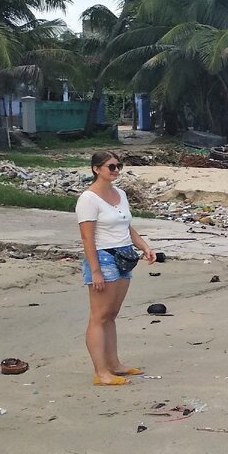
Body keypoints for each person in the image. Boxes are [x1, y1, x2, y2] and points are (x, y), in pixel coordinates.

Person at [76, 151, 157, 386]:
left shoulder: (120, 194)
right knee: (99, 316)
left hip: (124, 255)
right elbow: (87, 238)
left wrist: (144, 247)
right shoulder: (88, 199)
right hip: (103, 257)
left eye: (118, 166)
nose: (116, 170)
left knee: (111, 314)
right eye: (111, 166)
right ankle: (101, 372)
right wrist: (96, 270)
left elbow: (126, 226)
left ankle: (114, 364)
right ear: (96, 169)